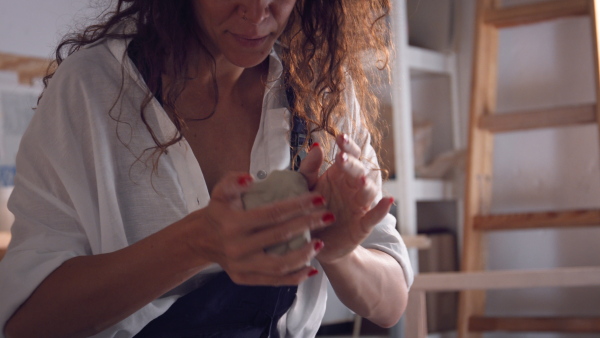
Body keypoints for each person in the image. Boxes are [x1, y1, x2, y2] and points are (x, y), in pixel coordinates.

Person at [0, 0, 414, 337]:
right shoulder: (91, 89)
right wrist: (197, 242)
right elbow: (25, 323)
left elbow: (391, 303)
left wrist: (338, 252)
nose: (256, 12)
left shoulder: (321, 86)